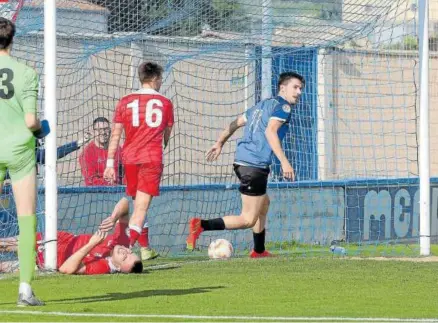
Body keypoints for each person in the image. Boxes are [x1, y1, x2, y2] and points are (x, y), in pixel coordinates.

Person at [186, 71, 305, 258]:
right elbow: (270, 132)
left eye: (301, 89)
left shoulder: (261, 105)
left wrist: (219, 142)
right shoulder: (283, 107)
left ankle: (258, 250)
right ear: (282, 88)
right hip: (254, 164)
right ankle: (200, 225)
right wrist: (285, 162)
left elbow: (235, 123)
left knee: (264, 203)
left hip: (243, 160)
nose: (299, 92)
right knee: (248, 219)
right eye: (295, 87)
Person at [0, 17, 49, 306]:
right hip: (19, 151)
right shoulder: (27, 72)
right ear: (13, 40)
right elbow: (31, 121)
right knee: (26, 217)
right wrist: (41, 128)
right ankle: (25, 290)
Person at [104, 62, 174, 261]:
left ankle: (144, 248)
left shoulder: (125, 100)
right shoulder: (166, 102)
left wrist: (110, 164)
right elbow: (167, 135)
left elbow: (116, 134)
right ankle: (124, 252)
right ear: (154, 79)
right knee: (141, 209)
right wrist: (162, 142)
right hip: (151, 159)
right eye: (160, 78)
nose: (161, 82)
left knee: (137, 206)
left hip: (129, 159)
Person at [0, 198, 143, 275]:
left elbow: (65, 269)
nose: (125, 251)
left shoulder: (101, 267)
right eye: (130, 252)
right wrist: (113, 218)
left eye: (125, 257)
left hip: (44, 261)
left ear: (118, 268)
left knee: (3, 266)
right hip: (58, 239)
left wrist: (91, 244)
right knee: (4, 244)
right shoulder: (122, 242)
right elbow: (124, 203)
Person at [79, 117, 122, 186]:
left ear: (110, 130)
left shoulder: (117, 148)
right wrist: (110, 184)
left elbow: (124, 174)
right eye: (99, 130)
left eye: (106, 129)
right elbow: (90, 180)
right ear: (93, 132)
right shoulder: (87, 153)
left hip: (117, 191)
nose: (103, 133)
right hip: (97, 193)